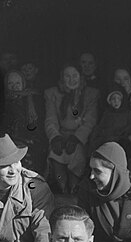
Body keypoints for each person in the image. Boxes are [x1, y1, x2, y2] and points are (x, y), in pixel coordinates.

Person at [44, 64, 99, 194]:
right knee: (55, 153)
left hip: (80, 137)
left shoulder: (91, 94)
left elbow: (90, 121)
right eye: (67, 76)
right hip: (61, 134)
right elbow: (50, 119)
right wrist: (55, 137)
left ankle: (74, 189)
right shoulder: (52, 93)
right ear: (62, 78)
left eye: (75, 75)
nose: (71, 79)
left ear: (80, 76)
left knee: (77, 154)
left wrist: (76, 138)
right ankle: (62, 188)